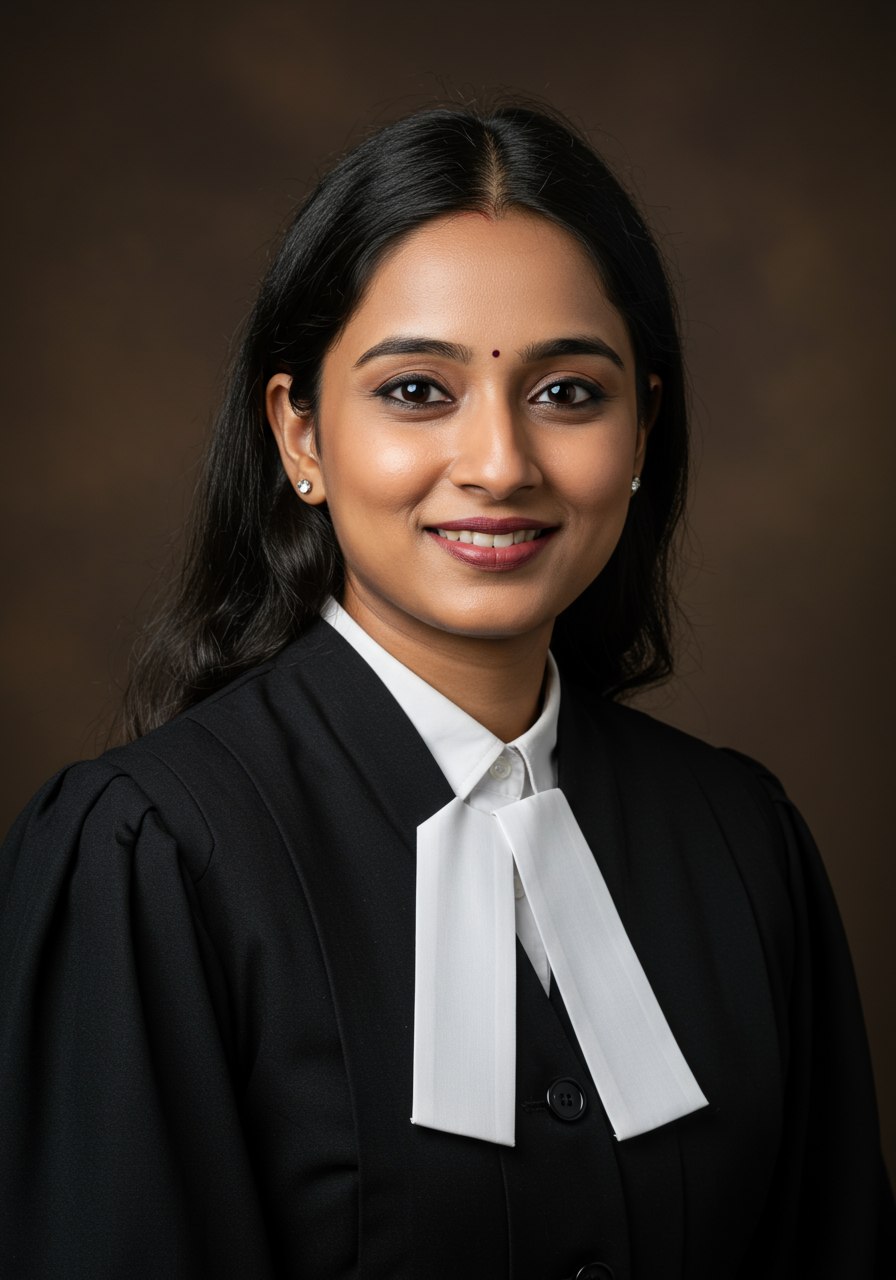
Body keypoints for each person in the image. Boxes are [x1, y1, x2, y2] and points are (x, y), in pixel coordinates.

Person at [0, 102, 892, 1280]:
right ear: (299, 434)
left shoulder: (741, 841)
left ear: (640, 430)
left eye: (566, 393)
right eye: (417, 389)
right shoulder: (147, 854)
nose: (499, 465)